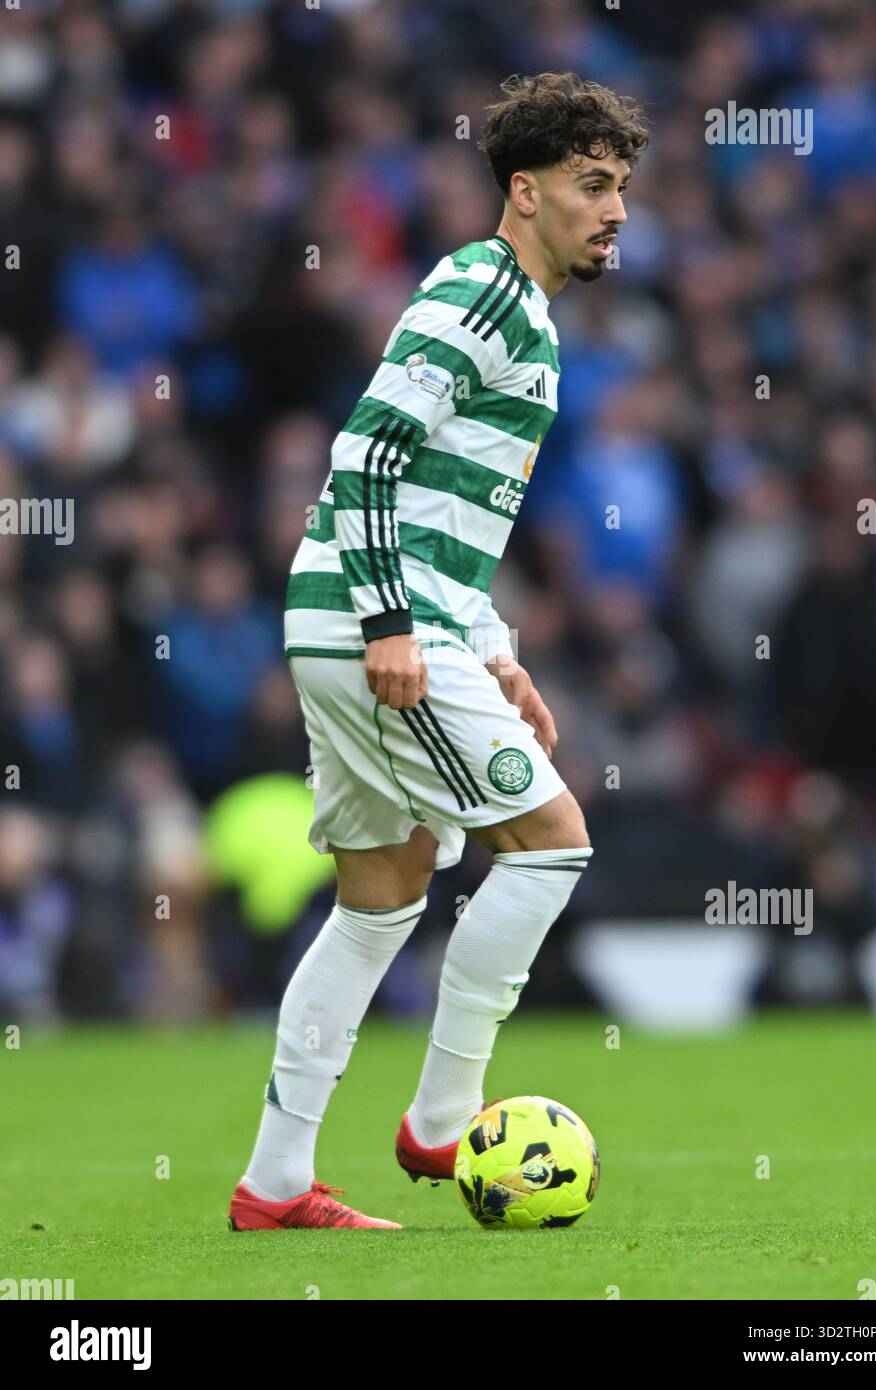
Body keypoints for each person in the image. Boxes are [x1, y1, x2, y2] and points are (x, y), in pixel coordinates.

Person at [229, 71, 648, 1231]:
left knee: (377, 903)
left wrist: (497, 651)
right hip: (371, 622)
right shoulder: (480, 289)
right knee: (552, 843)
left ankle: (272, 1184)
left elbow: (444, 516)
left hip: (361, 615)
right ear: (525, 191)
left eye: (622, 188)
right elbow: (365, 458)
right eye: (592, 186)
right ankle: (442, 1119)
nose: (615, 210)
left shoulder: (528, 313)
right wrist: (392, 626)